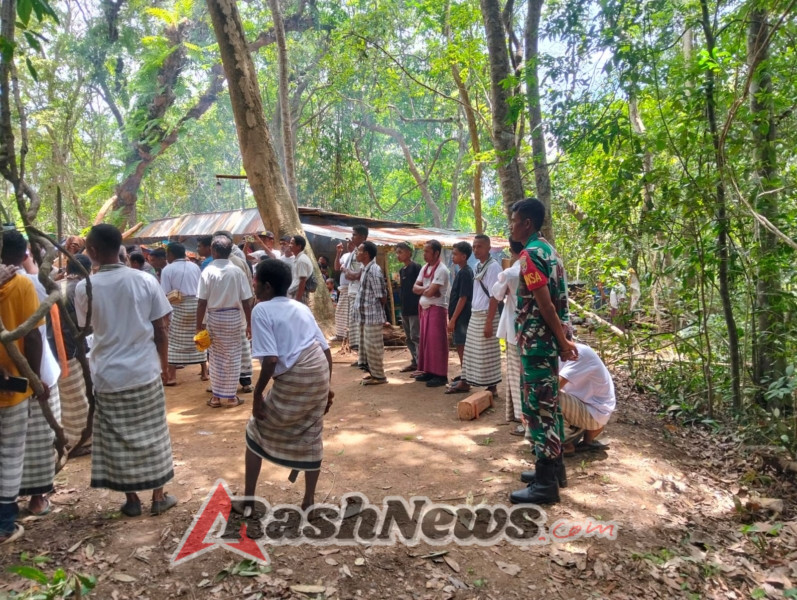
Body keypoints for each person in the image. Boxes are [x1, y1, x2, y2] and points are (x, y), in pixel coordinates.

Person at [75, 224, 177, 518]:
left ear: (92, 251)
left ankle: (132, 500)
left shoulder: (85, 288)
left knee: (117, 440)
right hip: (144, 370)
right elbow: (160, 329)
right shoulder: (144, 280)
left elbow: (86, 329)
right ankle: (158, 496)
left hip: (108, 375)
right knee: (154, 434)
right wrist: (163, 367)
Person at [243, 259, 333, 513]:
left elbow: (271, 360)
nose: (253, 285)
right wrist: (327, 388)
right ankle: (309, 502)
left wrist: (257, 396)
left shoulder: (261, 310)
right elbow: (325, 349)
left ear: (267, 286)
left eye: (255, 281)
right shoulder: (300, 307)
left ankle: (248, 501)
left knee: (255, 432)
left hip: (297, 375)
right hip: (319, 370)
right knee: (312, 433)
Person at [508, 198, 577, 506]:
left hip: (538, 342)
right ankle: (554, 469)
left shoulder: (529, 255)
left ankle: (546, 483)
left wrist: (563, 342)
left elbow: (545, 304)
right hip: (545, 342)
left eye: (514, 221)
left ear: (527, 224)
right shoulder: (549, 250)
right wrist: (562, 339)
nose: (511, 227)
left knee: (539, 408)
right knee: (550, 404)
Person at [0, 234, 48, 544]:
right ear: (23, 255)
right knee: (10, 454)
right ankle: (4, 522)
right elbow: (32, 336)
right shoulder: (22, 285)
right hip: (14, 387)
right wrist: (35, 378)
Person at [196, 235, 253, 409]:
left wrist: (198, 325)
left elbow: (201, 302)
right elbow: (246, 301)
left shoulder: (207, 272)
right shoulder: (237, 272)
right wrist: (250, 324)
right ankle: (231, 397)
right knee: (233, 356)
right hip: (234, 318)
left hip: (214, 318)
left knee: (215, 357)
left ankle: (216, 397)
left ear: (213, 251)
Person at [447, 235, 503, 396]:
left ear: (488, 248)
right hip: (476, 314)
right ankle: (465, 381)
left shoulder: (493, 267)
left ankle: (492, 386)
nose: (476, 250)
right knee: (471, 351)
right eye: (474, 246)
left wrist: (489, 322)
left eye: (480, 246)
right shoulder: (478, 265)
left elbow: (494, 296)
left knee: (488, 351)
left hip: (486, 315)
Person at [57, 254, 93, 453]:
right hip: (71, 351)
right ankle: (79, 442)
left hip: (56, 350)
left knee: (66, 399)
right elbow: (81, 326)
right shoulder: (78, 289)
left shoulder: (56, 286)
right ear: (86, 270)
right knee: (77, 398)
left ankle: (69, 439)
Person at [212, 230, 254, 393]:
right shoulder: (239, 262)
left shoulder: (216, 267)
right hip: (239, 312)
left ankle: (222, 384)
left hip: (222, 314)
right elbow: (248, 291)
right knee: (240, 345)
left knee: (222, 349)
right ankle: (245, 381)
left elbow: (204, 299)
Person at [160, 243, 208, 385]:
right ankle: (204, 372)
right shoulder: (195, 267)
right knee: (199, 336)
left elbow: (164, 293)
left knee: (174, 340)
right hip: (196, 305)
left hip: (178, 305)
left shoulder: (167, 269)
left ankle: (172, 376)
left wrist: (165, 317)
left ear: (171, 254)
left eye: (167, 254)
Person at [489, 240, 524, 435]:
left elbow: (496, 293)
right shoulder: (534, 268)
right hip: (531, 329)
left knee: (516, 374)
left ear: (512, 251)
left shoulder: (510, 273)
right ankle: (520, 415)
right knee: (524, 374)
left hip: (514, 326)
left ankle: (522, 418)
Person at [412, 240, 450, 388]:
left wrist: (425, 289)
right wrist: (427, 289)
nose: (424, 254)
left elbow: (431, 292)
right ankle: (428, 370)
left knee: (436, 342)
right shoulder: (425, 268)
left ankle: (440, 374)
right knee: (426, 341)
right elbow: (415, 288)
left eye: (427, 251)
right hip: (425, 309)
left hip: (437, 308)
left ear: (436, 253)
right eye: (424, 251)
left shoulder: (442, 270)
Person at [352, 241, 388, 385]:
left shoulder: (374, 270)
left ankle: (379, 376)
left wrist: (380, 313)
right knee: (367, 346)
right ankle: (373, 373)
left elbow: (382, 296)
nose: (357, 253)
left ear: (366, 254)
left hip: (372, 316)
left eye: (359, 251)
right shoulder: (365, 268)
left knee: (373, 346)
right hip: (365, 316)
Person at [446, 241, 473, 375]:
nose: (453, 257)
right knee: (460, 345)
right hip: (460, 317)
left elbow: (463, 298)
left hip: (462, 317)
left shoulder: (465, 273)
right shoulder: (462, 271)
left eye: (455, 254)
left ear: (464, 256)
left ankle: (466, 376)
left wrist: (453, 319)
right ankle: (465, 374)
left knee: (462, 345)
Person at [395, 241, 421, 373]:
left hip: (415, 308)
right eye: (397, 253)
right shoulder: (402, 270)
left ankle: (421, 364)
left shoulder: (416, 267)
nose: (398, 255)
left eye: (400, 252)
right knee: (409, 337)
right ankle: (415, 361)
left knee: (416, 336)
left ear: (409, 253)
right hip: (404, 308)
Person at [344, 226, 369, 353]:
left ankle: (364, 356)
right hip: (352, 291)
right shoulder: (354, 252)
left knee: (360, 325)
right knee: (354, 325)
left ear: (363, 237)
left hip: (360, 293)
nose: (352, 237)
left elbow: (358, 275)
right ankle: (360, 356)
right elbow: (347, 274)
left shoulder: (367, 252)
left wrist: (349, 273)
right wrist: (349, 273)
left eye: (354, 235)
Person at [333, 240, 355, 341]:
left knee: (350, 314)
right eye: (348, 243)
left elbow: (357, 272)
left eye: (351, 243)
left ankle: (349, 336)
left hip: (352, 289)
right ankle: (340, 334)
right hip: (344, 289)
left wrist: (345, 269)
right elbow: (336, 267)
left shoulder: (357, 256)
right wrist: (338, 253)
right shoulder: (345, 255)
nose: (348, 245)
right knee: (340, 312)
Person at [287, 235, 314, 304]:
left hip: (300, 293)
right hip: (295, 291)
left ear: (299, 246)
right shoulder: (298, 258)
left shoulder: (302, 260)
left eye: (292, 243)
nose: (289, 245)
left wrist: (297, 300)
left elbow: (302, 281)